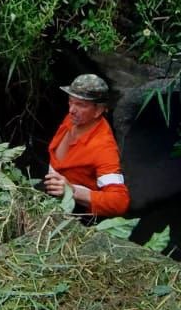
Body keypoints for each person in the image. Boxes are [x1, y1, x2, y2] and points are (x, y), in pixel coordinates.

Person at [44, 74, 130, 217]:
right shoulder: (75, 119)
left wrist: (72, 190)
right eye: (71, 101)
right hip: (52, 196)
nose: (71, 109)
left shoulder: (103, 148)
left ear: (98, 110)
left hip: (77, 215)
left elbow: (120, 202)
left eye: (80, 105)